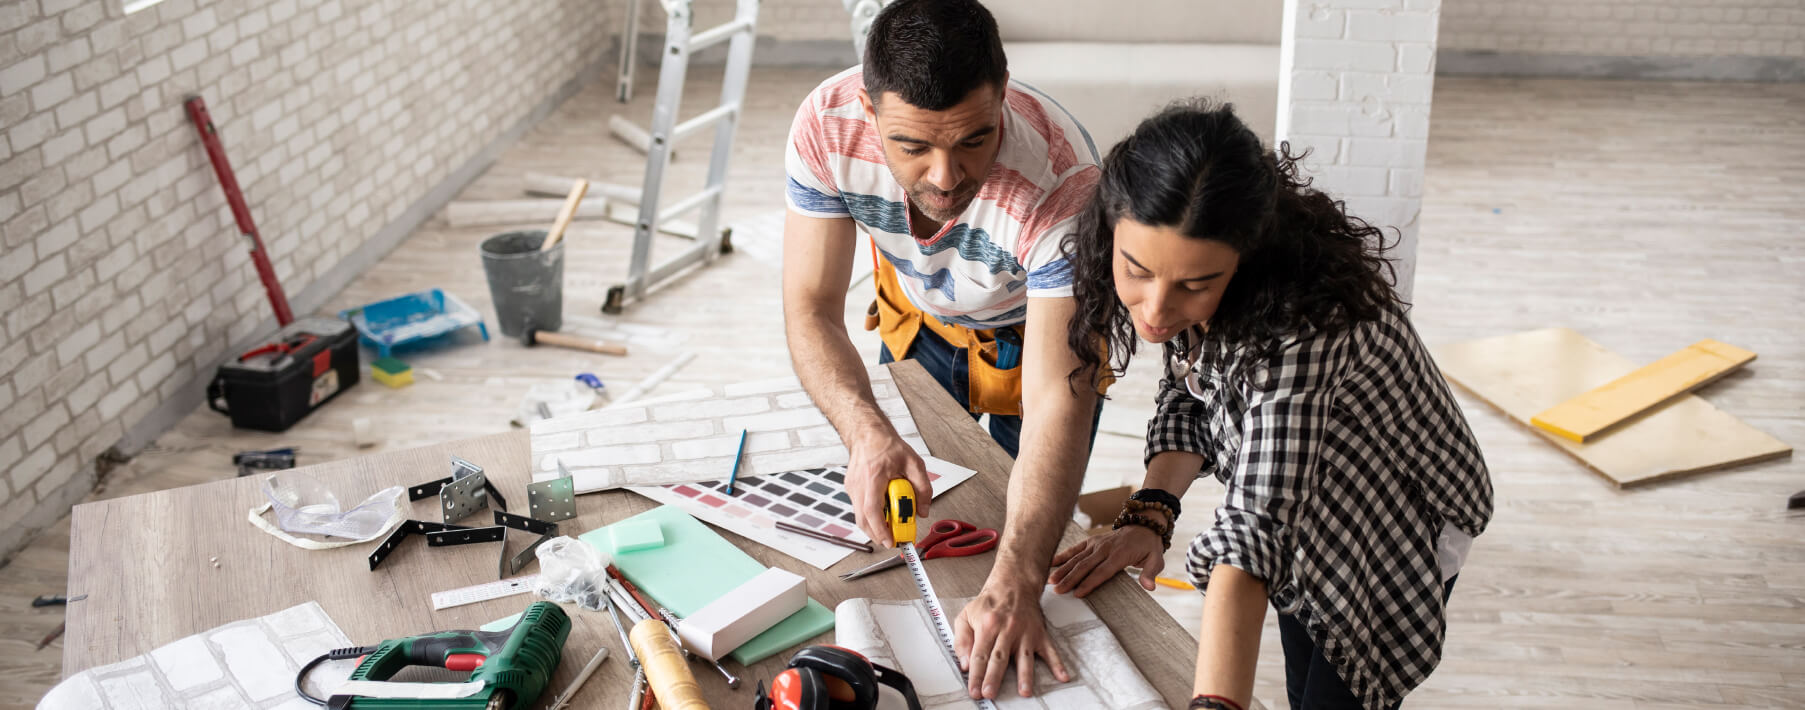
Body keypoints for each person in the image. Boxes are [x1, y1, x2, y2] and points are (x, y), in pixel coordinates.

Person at [1048, 101, 1494, 710]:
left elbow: (1254, 529)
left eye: (1194, 285)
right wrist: (1149, 512)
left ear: (1246, 261)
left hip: (1390, 504)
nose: (1154, 311)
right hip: (1298, 496)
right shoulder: (1192, 283)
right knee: (1301, 651)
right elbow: (1190, 388)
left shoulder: (1306, 324)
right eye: (1137, 272)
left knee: (1341, 678)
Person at [781, 0, 1106, 700]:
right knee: (920, 513)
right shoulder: (824, 123)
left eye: (972, 141)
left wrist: (1019, 582)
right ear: (867, 112)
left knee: (1023, 542)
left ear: (1004, 92)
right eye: (911, 146)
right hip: (920, 315)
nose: (944, 177)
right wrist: (865, 433)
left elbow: (1059, 397)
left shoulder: (1065, 181)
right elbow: (810, 307)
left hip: (1036, 338)